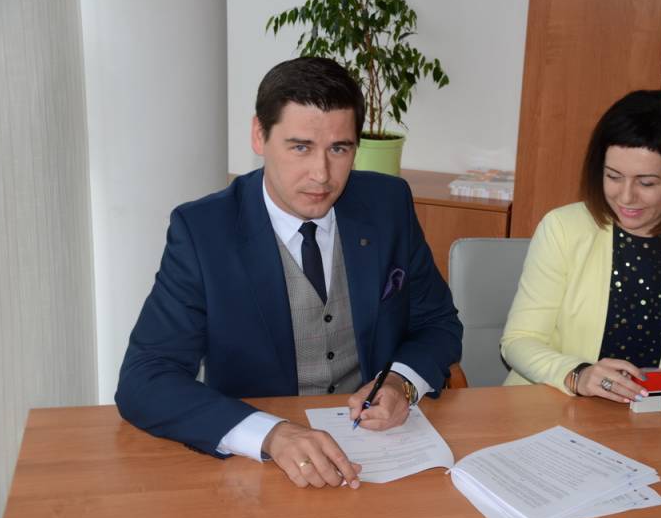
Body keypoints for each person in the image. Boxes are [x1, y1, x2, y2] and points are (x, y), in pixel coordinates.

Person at [115, 57, 462, 489]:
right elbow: (145, 378)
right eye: (300, 147)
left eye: (339, 149)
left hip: (379, 454)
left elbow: (438, 324)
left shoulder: (388, 204)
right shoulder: (203, 231)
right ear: (259, 135)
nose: (322, 174)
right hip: (258, 471)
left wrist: (400, 382)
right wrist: (271, 434)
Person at [500, 90, 661, 402]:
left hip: (641, 412)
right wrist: (578, 375)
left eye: (646, 183)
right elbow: (518, 340)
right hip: (548, 405)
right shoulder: (563, 228)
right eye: (613, 176)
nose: (626, 196)